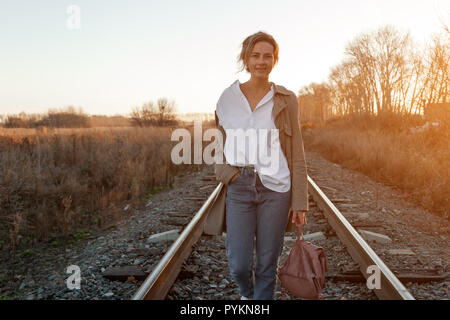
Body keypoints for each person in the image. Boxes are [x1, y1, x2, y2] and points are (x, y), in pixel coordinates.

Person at [214, 31, 309, 300]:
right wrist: (227, 174)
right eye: (255, 55)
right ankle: (248, 294)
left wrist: (299, 202)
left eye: (268, 56)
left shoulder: (286, 99)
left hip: (276, 189)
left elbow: (297, 152)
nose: (261, 61)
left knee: (267, 264)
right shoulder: (227, 98)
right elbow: (217, 144)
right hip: (240, 186)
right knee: (240, 266)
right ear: (246, 58)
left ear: (274, 60)